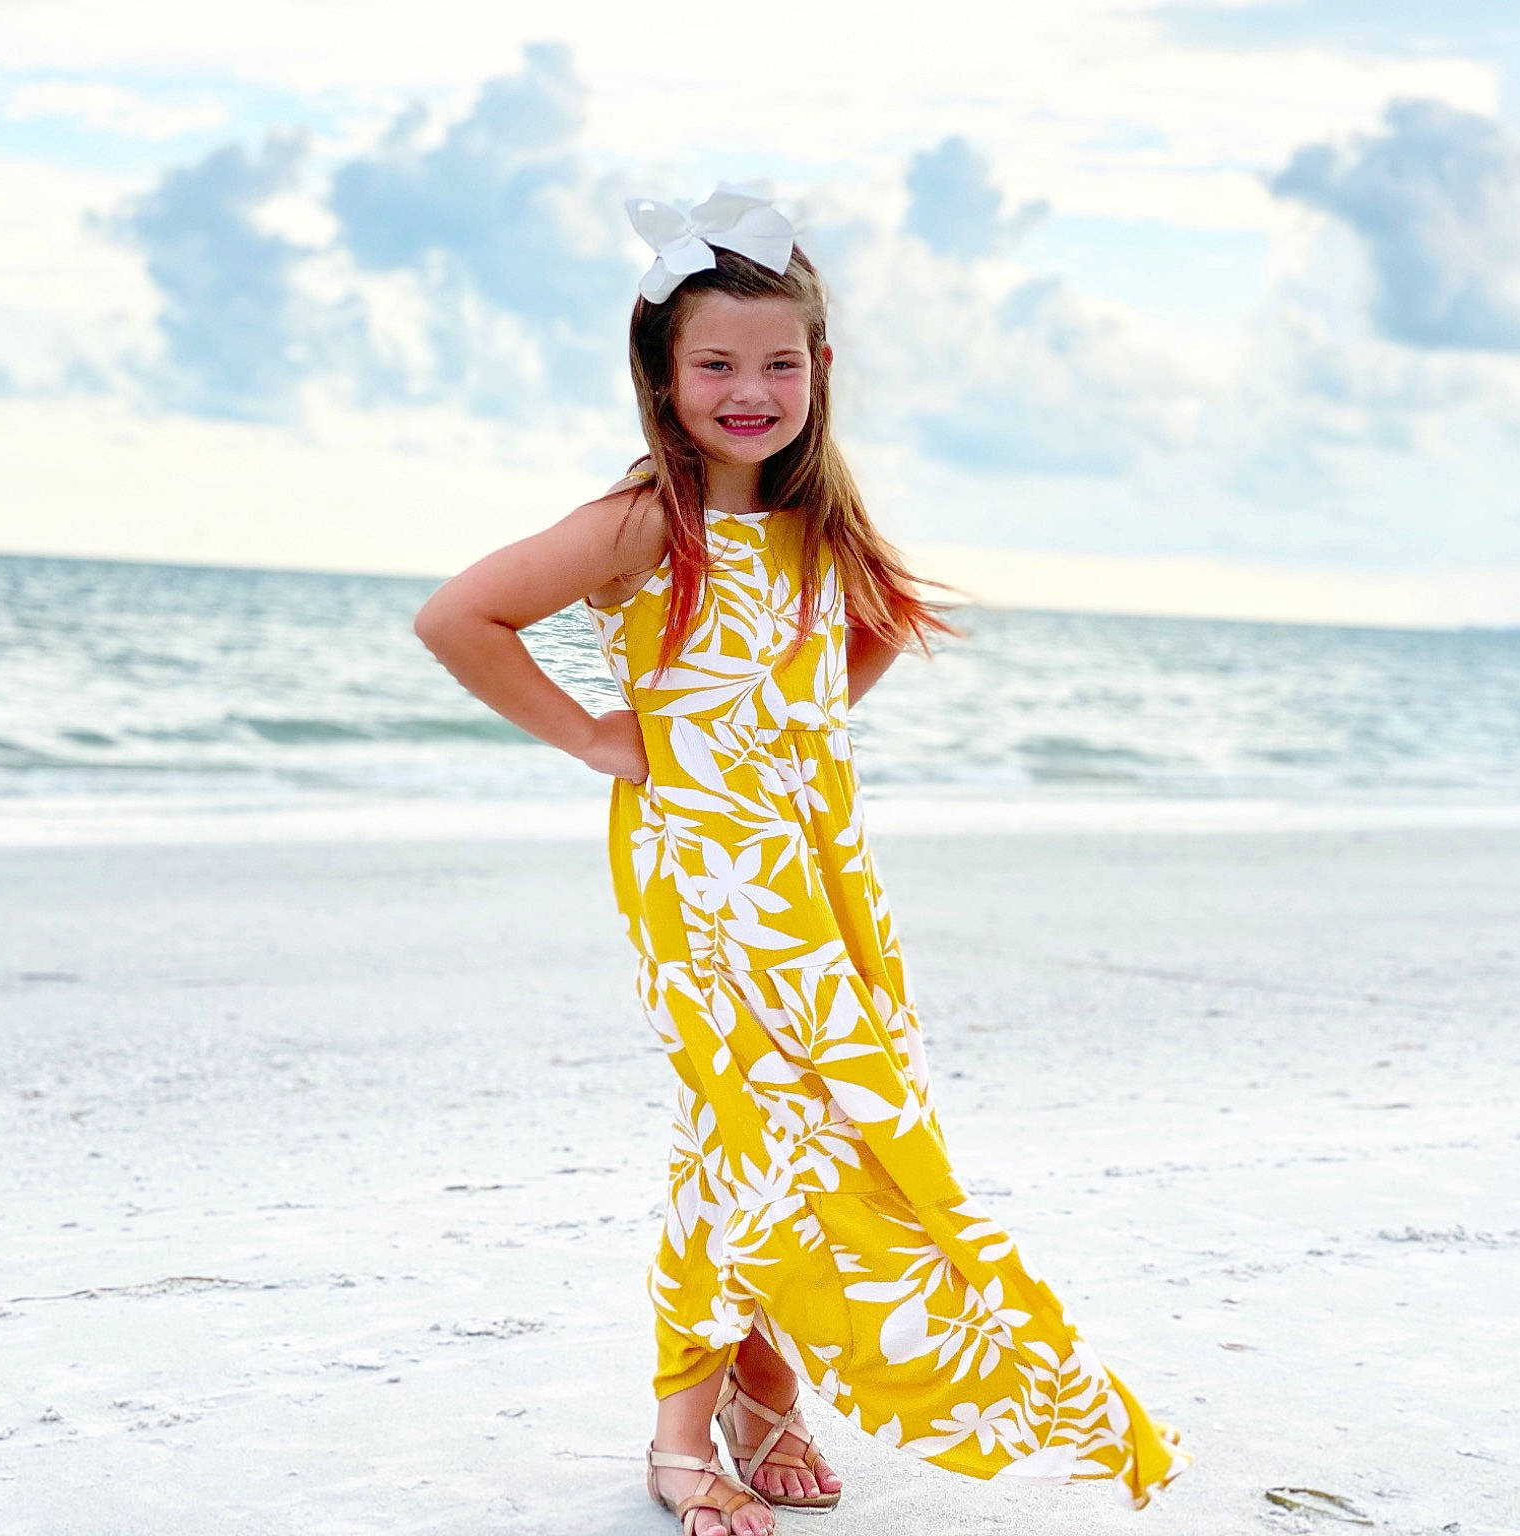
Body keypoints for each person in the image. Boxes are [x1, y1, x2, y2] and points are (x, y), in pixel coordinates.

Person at [413, 188, 1189, 1534]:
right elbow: (459, 616)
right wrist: (605, 741)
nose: (749, 391)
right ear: (662, 375)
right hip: (702, 890)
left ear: (820, 371)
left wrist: (792, 737)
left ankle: (760, 1384)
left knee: (819, 1128)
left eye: (779, 363)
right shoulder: (651, 522)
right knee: (747, 1130)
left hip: (821, 884)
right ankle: (683, 1427)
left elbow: (880, 629)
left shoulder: (823, 519)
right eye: (714, 364)